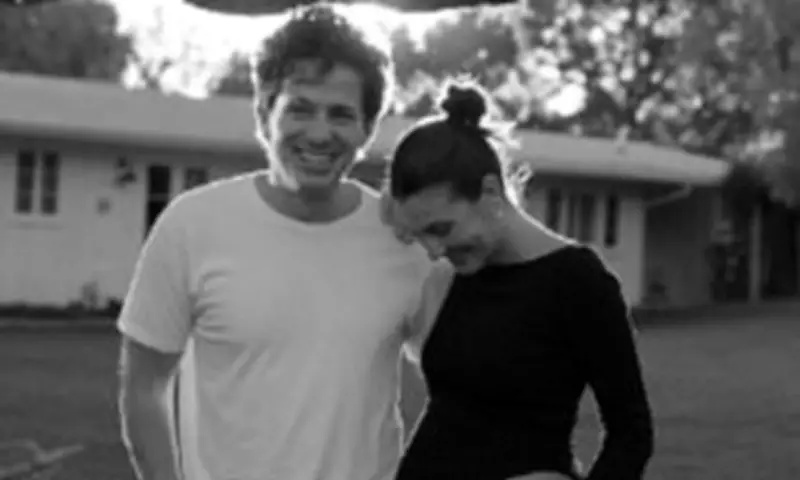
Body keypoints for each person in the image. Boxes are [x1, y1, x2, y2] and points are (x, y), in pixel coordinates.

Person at [116, 4, 446, 480]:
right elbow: (144, 388)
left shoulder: (403, 241)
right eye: (300, 109)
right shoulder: (191, 225)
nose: (319, 133)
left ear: (367, 129)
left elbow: (464, 388)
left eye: (341, 114)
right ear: (263, 114)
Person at [385, 79, 655, 480]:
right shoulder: (454, 275)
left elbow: (631, 435)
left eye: (441, 229)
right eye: (420, 234)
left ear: (491, 191)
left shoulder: (578, 281)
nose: (434, 250)